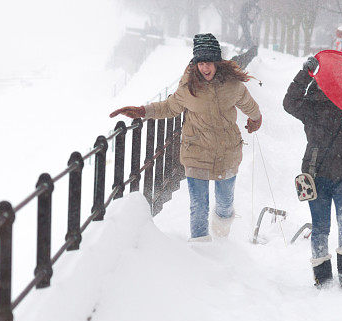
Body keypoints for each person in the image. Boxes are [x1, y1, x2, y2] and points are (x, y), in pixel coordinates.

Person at [110, 33, 262, 242]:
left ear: (217, 61)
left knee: (225, 204)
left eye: (209, 62)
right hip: (196, 150)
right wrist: (143, 111)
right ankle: (200, 248)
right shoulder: (188, 87)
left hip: (227, 152)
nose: (205, 68)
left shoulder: (232, 86)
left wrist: (256, 118)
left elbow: (249, 104)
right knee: (199, 205)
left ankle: (222, 243)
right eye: (200, 63)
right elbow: (169, 107)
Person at [283, 55, 342, 289]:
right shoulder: (311, 105)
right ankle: (322, 274)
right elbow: (289, 102)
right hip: (316, 174)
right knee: (320, 226)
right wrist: (304, 74)